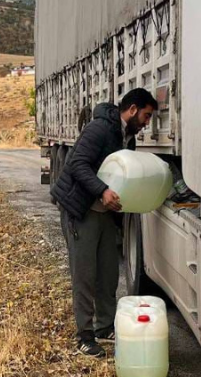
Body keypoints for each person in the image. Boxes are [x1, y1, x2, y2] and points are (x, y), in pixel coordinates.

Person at [50, 88, 158, 357]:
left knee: (108, 272)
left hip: (105, 212)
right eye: (146, 115)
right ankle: (84, 336)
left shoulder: (127, 138)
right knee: (84, 273)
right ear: (132, 110)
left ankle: (104, 327)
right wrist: (102, 191)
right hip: (82, 209)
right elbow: (77, 165)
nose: (147, 123)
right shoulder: (99, 128)